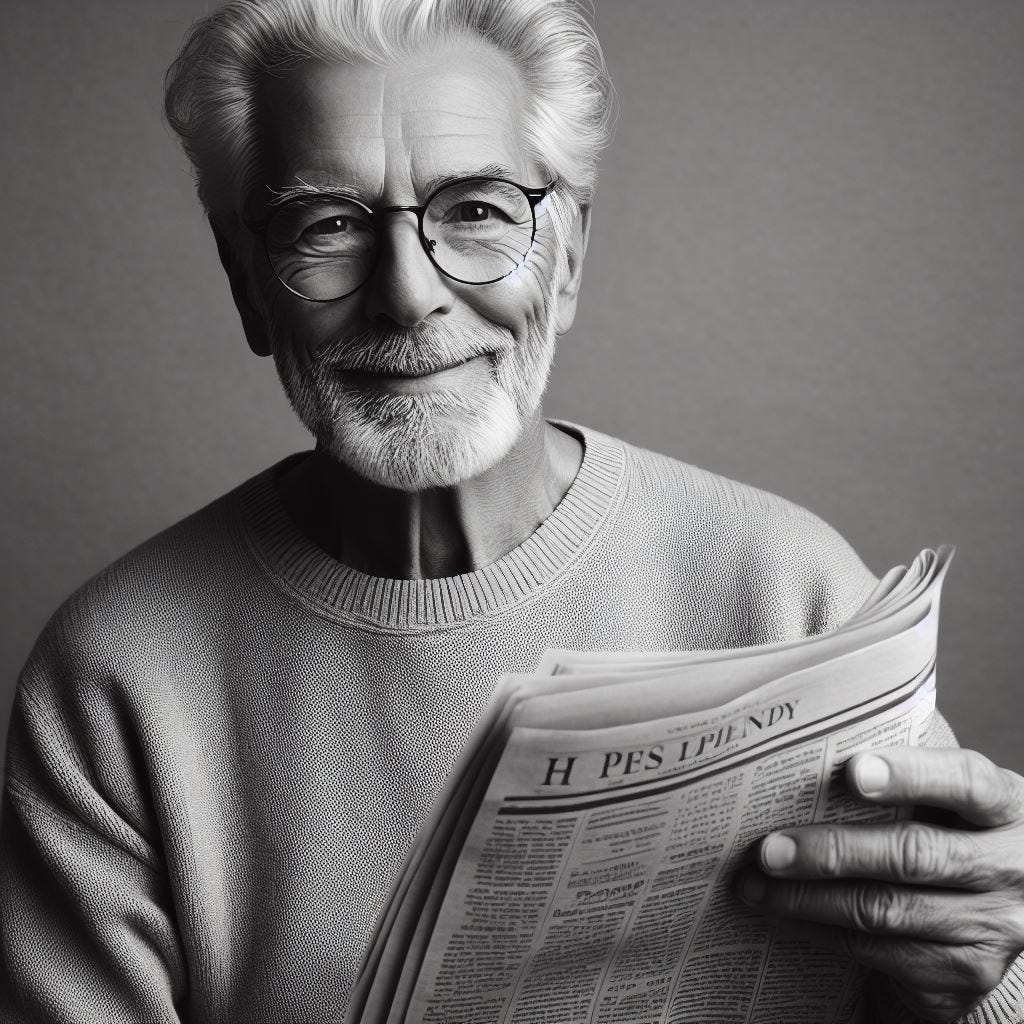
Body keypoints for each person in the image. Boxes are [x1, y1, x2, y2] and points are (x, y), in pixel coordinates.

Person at [1, 1, 1022, 1022]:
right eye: (326, 226)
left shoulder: (793, 591)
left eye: (479, 211)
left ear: (566, 259)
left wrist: (990, 978)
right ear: (246, 283)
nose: (406, 295)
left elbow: (956, 967)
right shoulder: (114, 678)